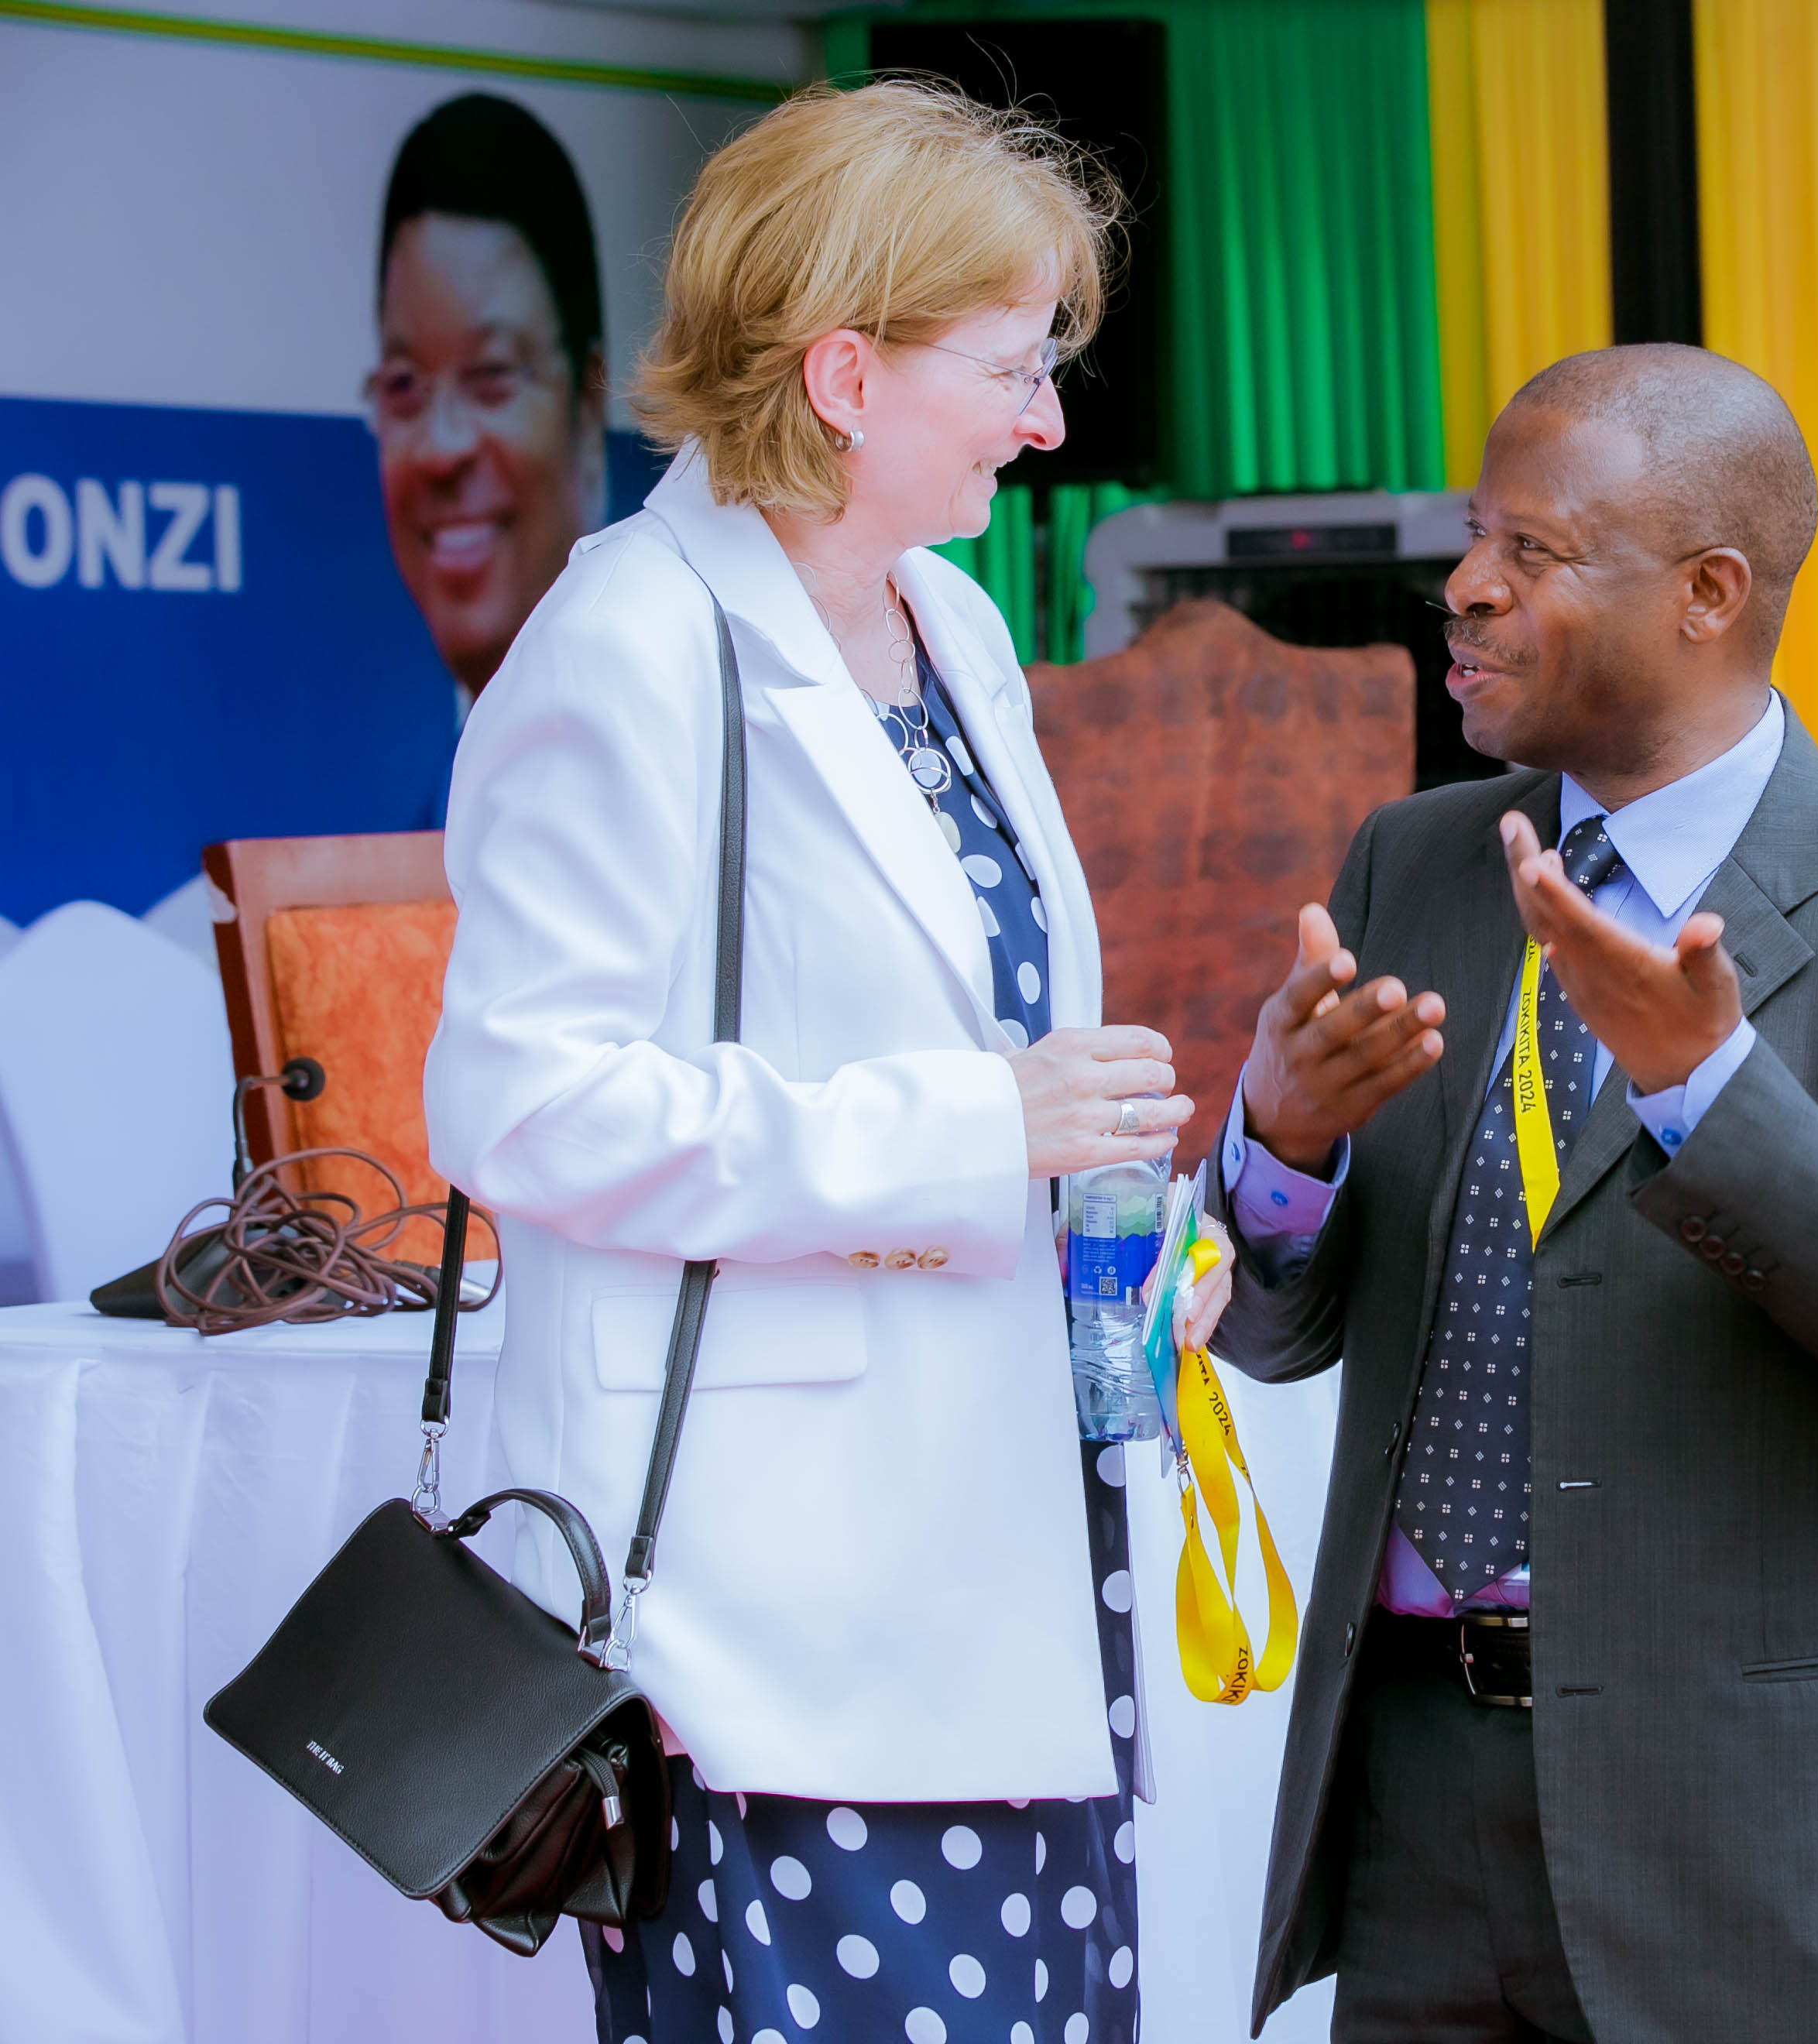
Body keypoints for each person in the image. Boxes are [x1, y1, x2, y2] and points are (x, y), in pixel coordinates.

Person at [424, 82, 1222, 2044]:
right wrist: (970, 1134)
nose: (1047, 421)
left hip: (998, 1542)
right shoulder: (623, 642)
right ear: (846, 372)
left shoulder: (948, 622)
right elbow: (515, 1102)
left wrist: (1099, 1216)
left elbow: (975, 1040)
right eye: (1016, 367)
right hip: (776, 1606)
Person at [1206, 344, 1818, 2042]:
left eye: (1531, 554)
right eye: (1478, 538)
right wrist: (1280, 1139)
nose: (1463, 588)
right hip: (1414, 1805)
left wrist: (1712, 1092)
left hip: (1761, 1844)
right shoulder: (1414, 861)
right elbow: (1279, 1324)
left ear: (1707, 594)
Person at [372, 93, 612, 703]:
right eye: (404, 384)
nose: (441, 448)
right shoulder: (441, 792)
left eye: (492, 375)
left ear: (587, 404)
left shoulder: (696, 732)